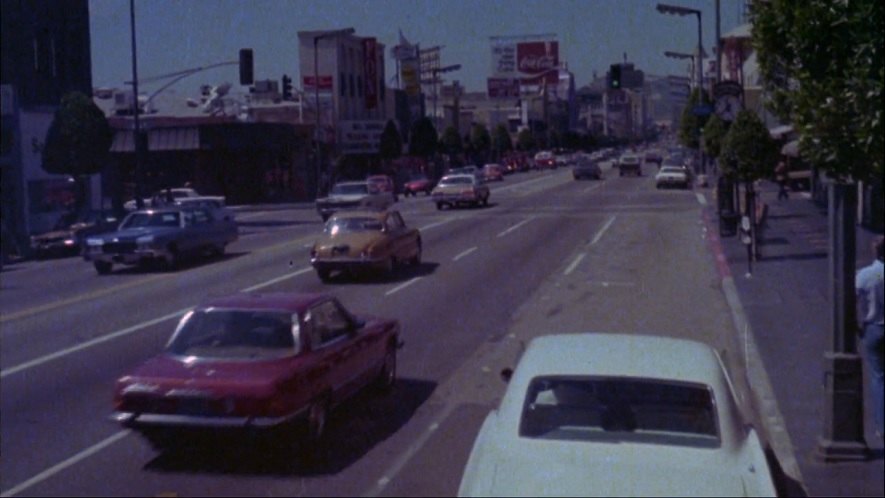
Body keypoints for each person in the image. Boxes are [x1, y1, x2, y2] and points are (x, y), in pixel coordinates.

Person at [856, 236, 884, 439]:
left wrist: (857, 326)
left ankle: (882, 426)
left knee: (878, 377)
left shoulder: (865, 275)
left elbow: (851, 299)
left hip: (874, 328)